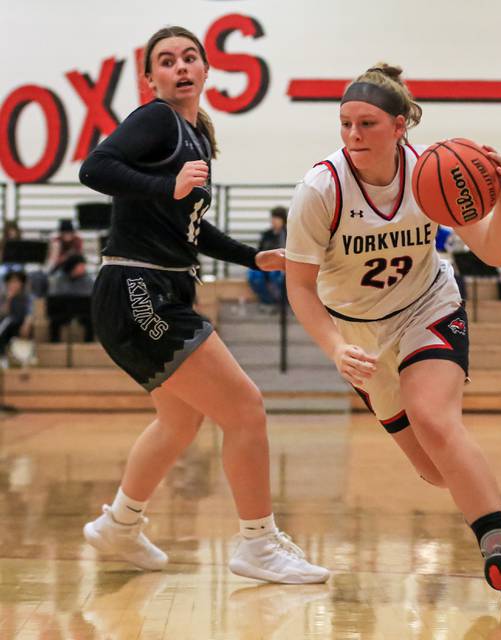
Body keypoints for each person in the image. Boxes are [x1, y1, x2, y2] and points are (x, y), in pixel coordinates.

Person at [78, 25, 328, 584]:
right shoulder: (157, 119)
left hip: (158, 286)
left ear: (207, 69)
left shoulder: (195, 136)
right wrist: (166, 185)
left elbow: (188, 224)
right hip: (138, 289)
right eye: (167, 61)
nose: (181, 67)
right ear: (152, 78)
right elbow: (94, 168)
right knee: (245, 408)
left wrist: (249, 256)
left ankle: (120, 524)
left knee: (180, 419)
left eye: (190, 57)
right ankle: (257, 544)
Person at [285, 63, 501, 605]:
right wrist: (335, 348)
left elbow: (493, 254)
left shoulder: (429, 173)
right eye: (345, 123)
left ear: (401, 126)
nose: (353, 135)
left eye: (367, 124)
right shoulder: (319, 190)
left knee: (434, 418)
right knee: (433, 470)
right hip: (359, 334)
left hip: (428, 306)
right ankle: (473, 482)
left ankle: (499, 548)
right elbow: (300, 288)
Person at [46, 253, 94, 342]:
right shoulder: (58, 278)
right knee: (55, 321)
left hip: (82, 311)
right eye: (81, 266)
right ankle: (54, 344)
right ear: (72, 266)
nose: (83, 268)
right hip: (62, 311)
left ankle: (88, 344)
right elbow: (54, 296)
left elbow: (90, 296)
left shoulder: (88, 280)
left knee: (91, 321)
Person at [248, 206, 287, 307]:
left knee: (275, 276)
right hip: (265, 263)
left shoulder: (287, 234)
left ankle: (280, 301)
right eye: (273, 218)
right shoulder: (267, 235)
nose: (274, 221)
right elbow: (259, 251)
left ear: (283, 220)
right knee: (253, 275)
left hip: (280, 266)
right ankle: (268, 301)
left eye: (277, 218)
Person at [0, 271, 33, 365]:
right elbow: (4, 314)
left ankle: (26, 358)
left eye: (16, 282)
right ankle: (2, 357)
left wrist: (26, 324)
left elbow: (30, 313)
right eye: (11, 282)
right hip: (7, 322)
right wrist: (9, 299)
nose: (13, 284)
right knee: (6, 325)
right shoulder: (4, 296)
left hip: (21, 323)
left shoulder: (27, 297)